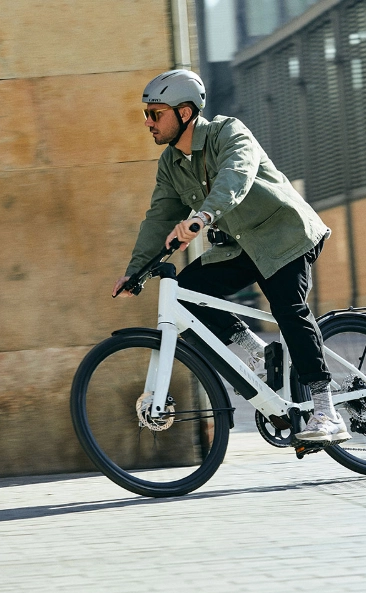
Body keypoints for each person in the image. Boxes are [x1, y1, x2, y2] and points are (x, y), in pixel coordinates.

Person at [112, 69, 350, 446]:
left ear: (185, 113)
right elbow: (158, 218)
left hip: (284, 236)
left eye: (155, 114)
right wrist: (135, 271)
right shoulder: (171, 165)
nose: (147, 122)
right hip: (240, 246)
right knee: (188, 290)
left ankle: (327, 410)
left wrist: (201, 217)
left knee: (288, 308)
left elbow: (235, 176)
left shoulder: (229, 133)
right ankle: (258, 355)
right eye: (146, 114)